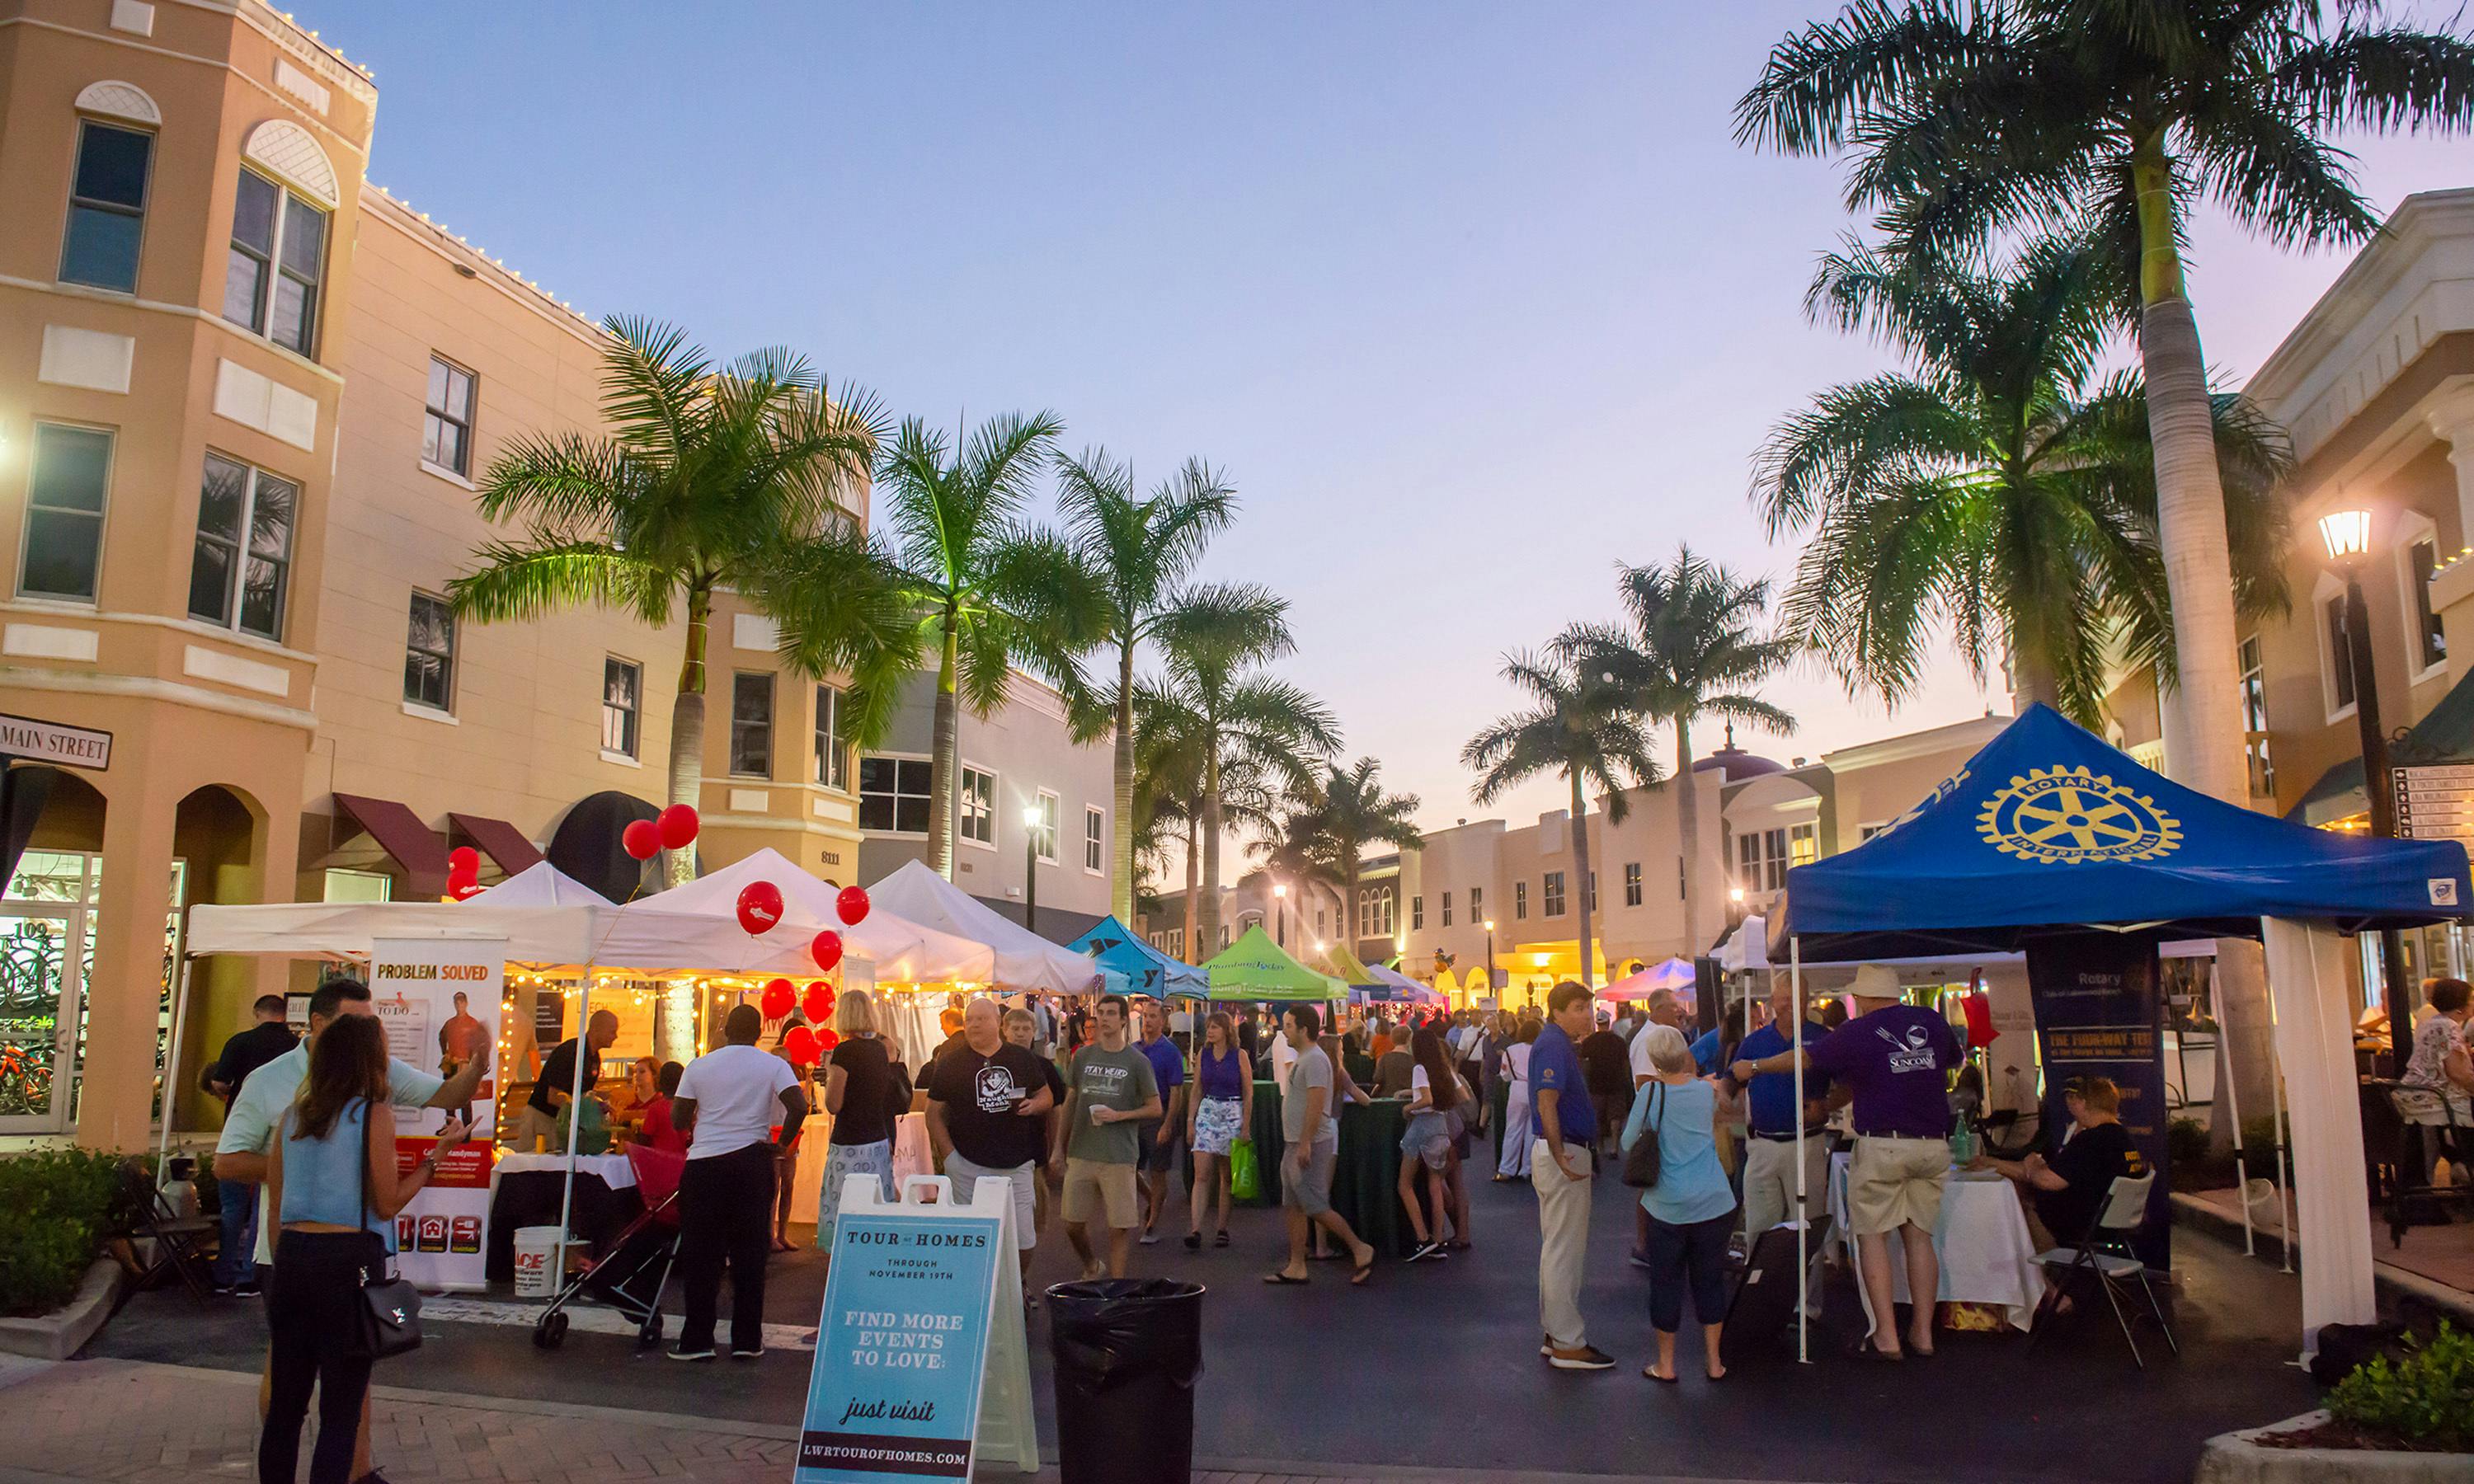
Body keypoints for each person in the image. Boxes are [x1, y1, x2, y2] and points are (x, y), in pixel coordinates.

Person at [214, 976, 486, 1484]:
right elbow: (385, 1203)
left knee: (286, 1411)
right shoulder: (372, 1115)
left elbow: (276, 1203)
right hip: (346, 1264)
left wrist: (286, 1258)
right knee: (341, 1410)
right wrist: (434, 1158)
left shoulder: (294, 1114)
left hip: (292, 1258)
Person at [1733, 963, 1959, 1361]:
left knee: (1871, 1237)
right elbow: (1953, 1062)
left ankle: (1887, 1336)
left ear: (1866, 997)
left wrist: (1756, 1067)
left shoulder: (1858, 1030)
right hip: (1932, 1143)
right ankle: (1923, 1334)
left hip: (1884, 1144)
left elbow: (1806, 1059)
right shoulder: (1930, 1020)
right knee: (1920, 1238)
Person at [669, 1003, 804, 1361]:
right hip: (752, 1161)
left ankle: (697, 1340)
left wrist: (698, 1125)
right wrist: (780, 1146)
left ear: (726, 1030)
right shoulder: (773, 1064)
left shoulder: (699, 1065)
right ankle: (747, 1339)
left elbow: (678, 1117)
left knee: (702, 1255)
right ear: (759, 1033)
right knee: (750, 1255)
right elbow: (799, 1105)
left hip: (705, 1165)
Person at [1626, 1024, 1738, 1383]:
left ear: (1655, 1060)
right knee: (1709, 1281)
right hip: (1714, 1199)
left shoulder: (1650, 1093)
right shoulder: (1706, 1091)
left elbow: (1629, 1142)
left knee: (1666, 1282)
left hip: (1668, 1203)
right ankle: (1715, 1362)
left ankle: (1666, 1364)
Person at [925, 998, 1056, 1283]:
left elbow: (1047, 1096)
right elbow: (933, 1113)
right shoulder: (950, 1063)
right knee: (971, 1236)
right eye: (969, 1019)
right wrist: (949, 1157)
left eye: (981, 1019)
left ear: (998, 1023)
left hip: (1017, 1162)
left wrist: (1034, 1106)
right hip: (967, 1164)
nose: (973, 1025)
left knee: (1024, 1237)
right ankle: (977, 1290)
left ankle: (1017, 1284)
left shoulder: (1021, 1058)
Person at [1729, 980, 1835, 1317]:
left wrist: (1828, 1104)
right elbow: (1731, 1080)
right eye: (1783, 998)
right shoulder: (1754, 1041)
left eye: (1795, 998)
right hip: (1762, 1145)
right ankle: (1759, 1304)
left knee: (1806, 1225)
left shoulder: (1824, 1038)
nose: (1788, 1004)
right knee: (1760, 1226)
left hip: (1807, 1142)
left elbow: (1849, 1084)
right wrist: (1728, 1103)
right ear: (1773, 1001)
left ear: (1807, 999)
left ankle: (1807, 1306)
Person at [1263, 1003, 1376, 1286]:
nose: (1284, 1030)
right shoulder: (1305, 1058)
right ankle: (1296, 1265)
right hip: (1296, 1143)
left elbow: (1316, 1103)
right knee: (1293, 1205)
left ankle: (1359, 1247)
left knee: (1314, 1205)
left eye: (1289, 1025)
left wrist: (1305, 1143)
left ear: (1303, 1029)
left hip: (1309, 1142)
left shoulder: (1314, 1059)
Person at [1052, 994, 1162, 1279]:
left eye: (1111, 1013)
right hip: (1081, 1150)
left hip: (1119, 1154)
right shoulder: (1084, 1056)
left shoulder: (1137, 1061)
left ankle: (1117, 1286)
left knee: (1119, 1226)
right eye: (1101, 1013)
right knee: (1071, 1223)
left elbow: (1154, 1107)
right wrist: (1057, 1149)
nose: (1104, 1018)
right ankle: (1091, 1264)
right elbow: (1070, 1101)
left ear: (1124, 1019)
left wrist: (1120, 1116)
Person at [1531, 981, 1611, 1369]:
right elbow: (1548, 1099)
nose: (1585, 1014)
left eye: (1586, 1007)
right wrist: (1560, 1150)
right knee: (1565, 1250)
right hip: (1565, 1149)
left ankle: (1556, 1331)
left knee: (1556, 1247)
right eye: (1578, 1007)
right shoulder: (1554, 1045)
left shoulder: (1556, 1044)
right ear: (1558, 1011)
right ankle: (1566, 1340)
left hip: (1560, 1149)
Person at [1980, 1076, 2144, 1250]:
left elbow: (2047, 1180)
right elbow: (2053, 1173)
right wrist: (1992, 1163)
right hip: (2114, 1223)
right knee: (2027, 1188)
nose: (2070, 1105)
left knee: (2021, 1196)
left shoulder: (2092, 1140)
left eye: (2074, 1099)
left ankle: (2039, 1271)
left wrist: (2034, 1163)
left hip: (2085, 1225)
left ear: (2083, 1103)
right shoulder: (2121, 1137)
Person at [206, 994, 297, 1296]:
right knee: (266, 1204)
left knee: (232, 1205)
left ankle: (223, 1274)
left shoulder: (240, 1041)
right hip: (279, 1135)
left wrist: (234, 1095)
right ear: (284, 1014)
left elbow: (219, 1083)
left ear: (256, 1013)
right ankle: (252, 1274)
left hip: (241, 1132)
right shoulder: (296, 1046)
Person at [816, 989, 898, 1249]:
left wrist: (829, 1075)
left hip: (849, 1141)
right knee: (874, 1205)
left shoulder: (844, 1052)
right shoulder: (879, 1049)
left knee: (846, 1205)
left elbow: (833, 1104)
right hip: (876, 1138)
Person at [1185, 1010, 1253, 1249]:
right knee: (1201, 1173)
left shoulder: (1239, 1055)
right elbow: (1196, 1089)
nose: (1210, 1031)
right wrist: (1190, 1120)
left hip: (1232, 1109)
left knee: (1226, 1175)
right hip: (1209, 1108)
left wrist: (1246, 1124)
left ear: (1226, 1030)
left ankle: (1222, 1227)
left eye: (1215, 1027)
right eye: (1209, 1027)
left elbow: (1248, 1090)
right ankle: (1195, 1229)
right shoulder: (1203, 1054)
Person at [1397, 1023, 1463, 1261]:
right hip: (1441, 1128)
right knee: (1435, 1185)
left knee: (1405, 1185)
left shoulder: (1419, 1068)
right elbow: (1462, 1095)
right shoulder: (1443, 1068)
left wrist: (1409, 1106)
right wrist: (1413, 1093)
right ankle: (1437, 1238)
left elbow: (1426, 1098)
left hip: (1422, 1128)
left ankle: (1422, 1238)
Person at [1003, 1006, 1065, 1242]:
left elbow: (1056, 1109)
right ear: (1005, 1031)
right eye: (1015, 1028)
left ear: (1035, 1032)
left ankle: (1023, 1270)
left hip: (1033, 1150)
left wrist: (1056, 1150)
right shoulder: (994, 1063)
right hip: (996, 1151)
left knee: (1031, 1217)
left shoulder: (1045, 1067)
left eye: (1026, 1029)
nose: (1020, 1034)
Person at [517, 1007, 618, 1152]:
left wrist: (605, 1098)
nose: (616, 1036)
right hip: (543, 1118)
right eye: (612, 1031)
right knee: (534, 1167)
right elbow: (553, 1096)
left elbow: (583, 1094)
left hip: (563, 1122)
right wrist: (585, 1113)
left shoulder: (594, 1057)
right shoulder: (570, 1052)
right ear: (596, 1029)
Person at [1133, 998, 1188, 1245]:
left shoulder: (1170, 1052)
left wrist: (1168, 1124)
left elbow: (1177, 1091)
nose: (1148, 1021)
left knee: (1158, 1171)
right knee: (1129, 1168)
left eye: (1154, 1016)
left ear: (1163, 1021)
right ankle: (1152, 1199)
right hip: (1136, 1114)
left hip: (1159, 1114)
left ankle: (1153, 1222)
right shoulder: (1134, 1049)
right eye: (1146, 1016)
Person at [2403, 977, 2474, 1120]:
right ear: (2460, 1006)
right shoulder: (2449, 1027)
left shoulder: (2432, 1022)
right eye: (2471, 998)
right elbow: (2458, 1074)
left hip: (2416, 1093)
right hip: (2437, 1098)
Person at [1579, 1012, 1630, 1156]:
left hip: (1596, 1083)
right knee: (1615, 1116)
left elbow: (1584, 1063)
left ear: (1597, 1023)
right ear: (1608, 1023)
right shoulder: (1619, 1041)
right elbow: (1625, 1063)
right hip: (1616, 1082)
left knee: (1598, 1117)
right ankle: (1614, 1146)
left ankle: (1600, 1147)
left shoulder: (1589, 1041)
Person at [1495, 1017, 1540, 1181]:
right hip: (1535, 1089)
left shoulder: (1511, 1050)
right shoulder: (1539, 1049)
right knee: (1532, 1131)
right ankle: (1528, 1169)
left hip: (1517, 1087)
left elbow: (1505, 1074)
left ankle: (1507, 1168)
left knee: (1513, 1128)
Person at [436, 989, 487, 1122]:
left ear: (466, 1004)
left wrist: (472, 1062)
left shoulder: (472, 1023)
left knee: (465, 1101)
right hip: (451, 1065)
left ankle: (466, 1134)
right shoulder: (450, 1023)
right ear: (454, 1004)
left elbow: (479, 1044)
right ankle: (450, 1129)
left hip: (465, 1066)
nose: (459, 1005)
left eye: (462, 1002)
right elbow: (441, 1037)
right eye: (457, 1003)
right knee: (449, 1100)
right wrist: (445, 1053)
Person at [636, 1061, 690, 1155]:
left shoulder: (656, 1108)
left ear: (660, 1082)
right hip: (682, 1161)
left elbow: (645, 1139)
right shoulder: (688, 1107)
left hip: (659, 1161)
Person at [1372, 1028, 1417, 1098]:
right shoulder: (1413, 1060)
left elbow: (1377, 1078)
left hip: (1387, 1099)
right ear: (1409, 1039)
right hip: (1407, 1099)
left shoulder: (1385, 1058)